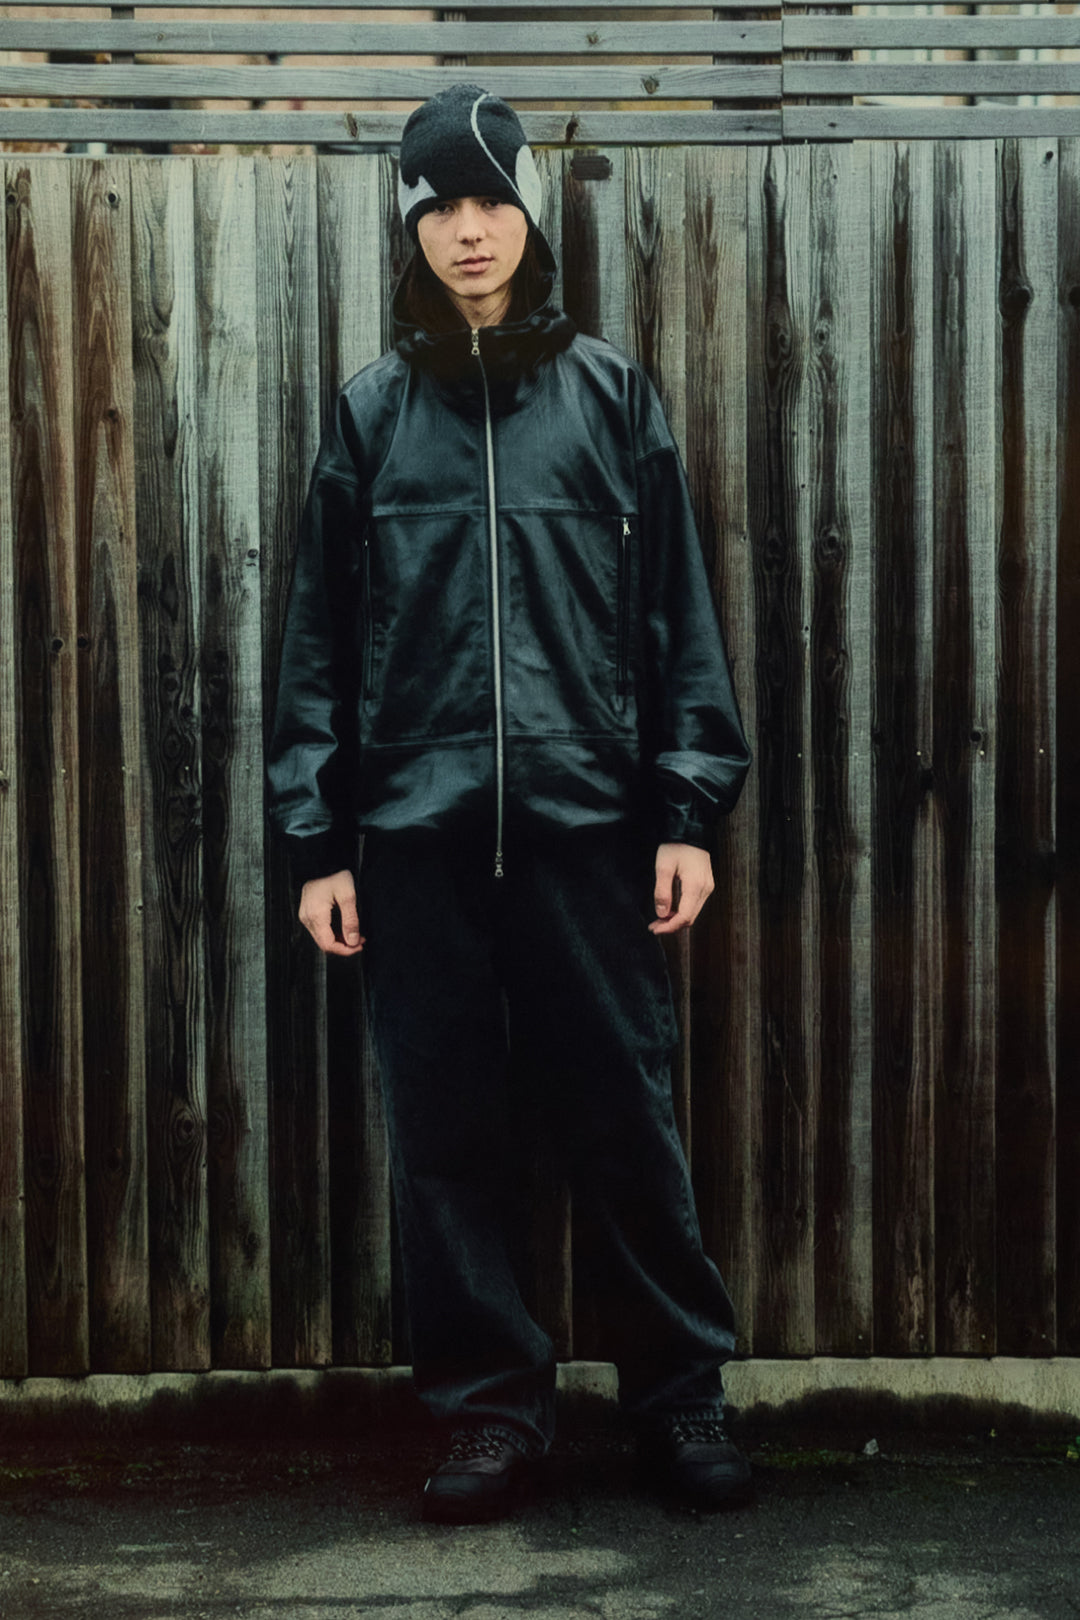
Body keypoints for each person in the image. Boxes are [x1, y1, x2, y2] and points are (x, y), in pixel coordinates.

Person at [268, 84, 753, 1525]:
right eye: (441, 207)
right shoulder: (371, 414)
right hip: (415, 843)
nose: (468, 231)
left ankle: (680, 1398)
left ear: (530, 215)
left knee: (627, 1122)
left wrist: (685, 808)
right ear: (412, 229)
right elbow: (319, 643)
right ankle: (489, 1415)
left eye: (491, 202)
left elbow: (676, 616)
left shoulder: (610, 397)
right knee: (450, 1137)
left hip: (587, 833)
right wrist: (317, 839)